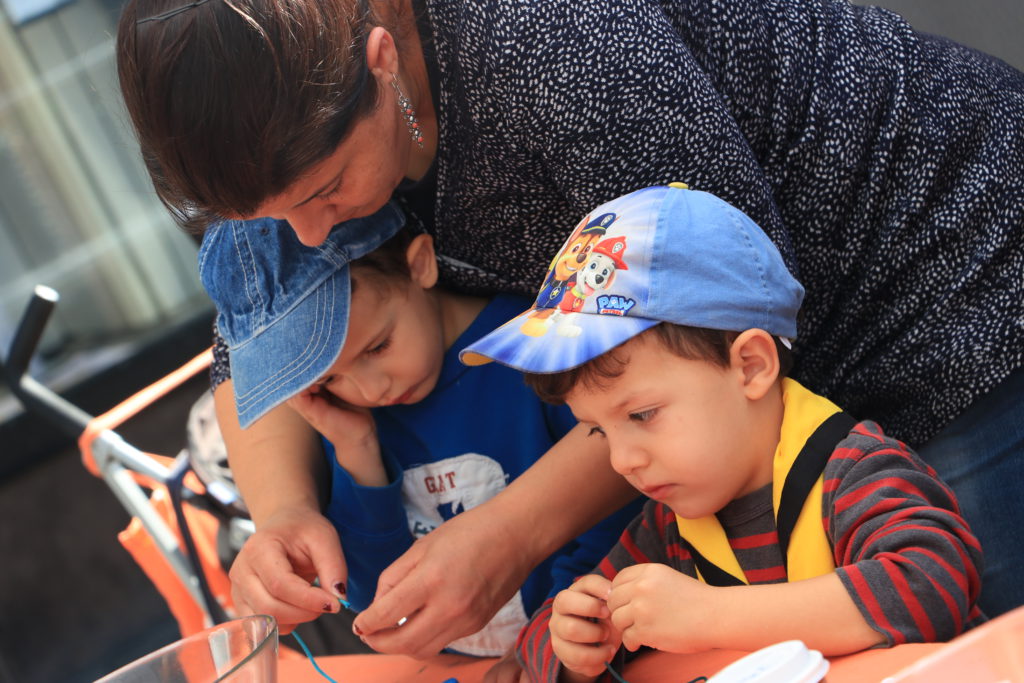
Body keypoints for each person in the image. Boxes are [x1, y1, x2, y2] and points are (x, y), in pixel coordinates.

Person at [116, 0, 1024, 656]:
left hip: (949, 280)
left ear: (383, 60)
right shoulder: (276, 139)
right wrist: (283, 510)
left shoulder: (548, 42)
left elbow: (696, 335)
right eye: (271, 221)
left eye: (322, 196)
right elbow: (242, 337)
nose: (311, 237)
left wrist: (513, 533)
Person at [461, 183, 986, 682]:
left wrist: (710, 615)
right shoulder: (667, 526)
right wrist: (577, 645)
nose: (622, 460)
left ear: (752, 366)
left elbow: (931, 584)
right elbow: (549, 634)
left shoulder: (856, 473)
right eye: (598, 431)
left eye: (641, 415)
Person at [197, 201, 641, 677]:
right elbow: (373, 602)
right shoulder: (350, 416)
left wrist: (543, 641)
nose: (371, 389)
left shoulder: (532, 346)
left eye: (378, 347)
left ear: (420, 264)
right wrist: (358, 454)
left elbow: (614, 514)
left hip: (597, 649)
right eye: (327, 380)